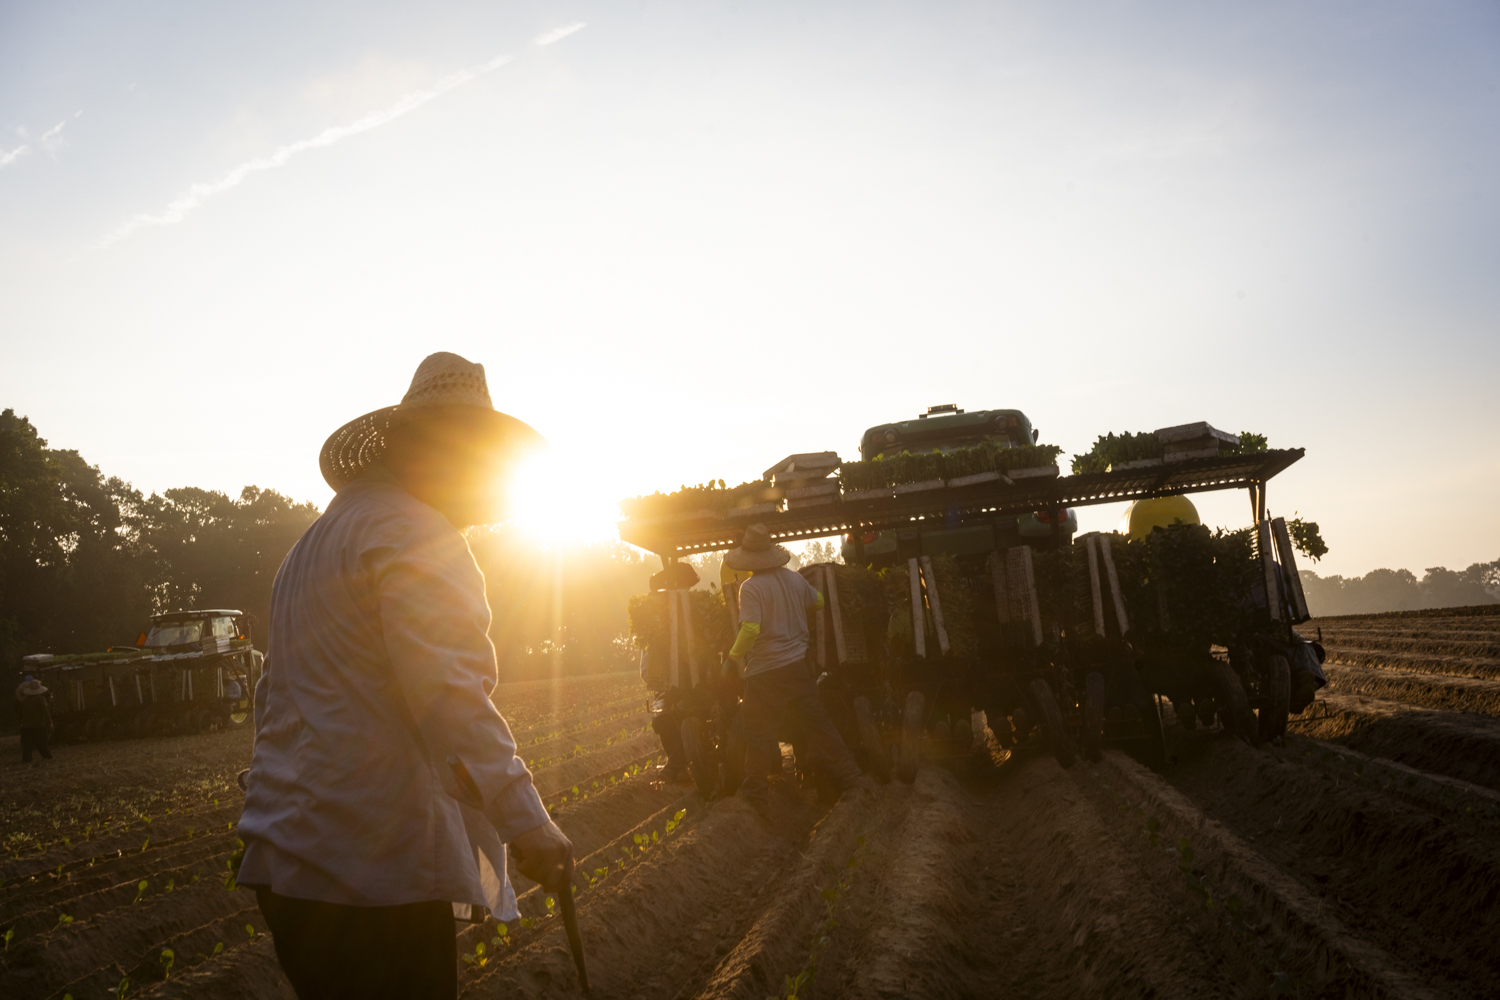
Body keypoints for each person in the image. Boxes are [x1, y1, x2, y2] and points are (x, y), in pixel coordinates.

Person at [236, 352, 574, 1000]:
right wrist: (526, 821)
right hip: (372, 868)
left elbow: (272, 695)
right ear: (434, 450)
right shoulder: (415, 531)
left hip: (288, 863)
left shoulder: (312, 544)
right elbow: (449, 694)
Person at [725, 524, 874, 812]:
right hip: (797, 668)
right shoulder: (794, 580)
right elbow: (819, 601)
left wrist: (731, 659)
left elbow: (751, 629)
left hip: (765, 674)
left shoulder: (751, 587)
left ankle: (755, 796)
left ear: (749, 559)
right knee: (820, 727)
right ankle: (853, 779)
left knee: (758, 732)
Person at [16, 675, 54, 764]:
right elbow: (45, 712)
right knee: (42, 743)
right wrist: (50, 723)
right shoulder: (41, 699)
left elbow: (20, 715)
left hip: (26, 727)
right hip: (38, 726)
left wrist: (21, 723)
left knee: (27, 745)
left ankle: (26, 760)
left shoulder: (23, 701)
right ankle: (48, 757)